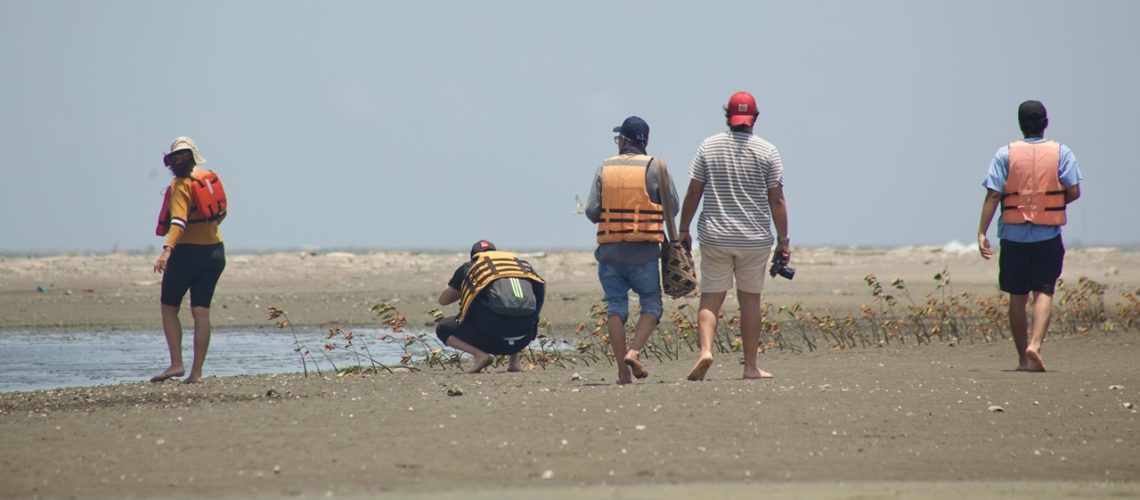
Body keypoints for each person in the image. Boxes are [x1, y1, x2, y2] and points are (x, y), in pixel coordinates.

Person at [678, 91, 789, 381]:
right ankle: (750, 367)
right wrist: (784, 240)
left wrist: (683, 229)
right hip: (754, 239)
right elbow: (776, 200)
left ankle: (705, 351)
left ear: (728, 115)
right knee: (750, 301)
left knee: (711, 299)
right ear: (755, 118)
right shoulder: (768, 151)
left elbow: (694, 191)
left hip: (716, 236)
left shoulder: (709, 146)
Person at [977, 100, 1082, 372]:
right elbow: (1074, 191)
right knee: (1044, 290)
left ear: (1020, 124)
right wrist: (1050, 204)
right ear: (1045, 123)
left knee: (1017, 295)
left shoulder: (1005, 153)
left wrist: (982, 232)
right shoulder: (1062, 152)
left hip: (1013, 236)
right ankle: (1035, 344)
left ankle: (1023, 359)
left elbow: (994, 193)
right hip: (1047, 235)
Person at [585, 116, 680, 384]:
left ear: (624, 140)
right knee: (651, 303)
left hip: (610, 253)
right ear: (645, 142)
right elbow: (673, 208)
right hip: (645, 253)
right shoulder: (655, 167)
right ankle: (634, 351)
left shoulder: (604, 168)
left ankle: (622, 372)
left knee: (615, 307)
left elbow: (592, 211)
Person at [151, 136, 228, 384]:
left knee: (169, 307)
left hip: (187, 254)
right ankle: (196, 374)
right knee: (201, 312)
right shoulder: (209, 178)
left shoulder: (181, 185)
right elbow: (221, 214)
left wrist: (167, 249)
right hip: (215, 252)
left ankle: (176, 364)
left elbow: (179, 222)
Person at [436, 240, 546, 373]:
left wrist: (466, 287)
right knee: (517, 304)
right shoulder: (521, 266)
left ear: (474, 256)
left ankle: (480, 355)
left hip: (489, 340)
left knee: (442, 328)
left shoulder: (471, 267)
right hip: (523, 338)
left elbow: (444, 300)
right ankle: (514, 363)